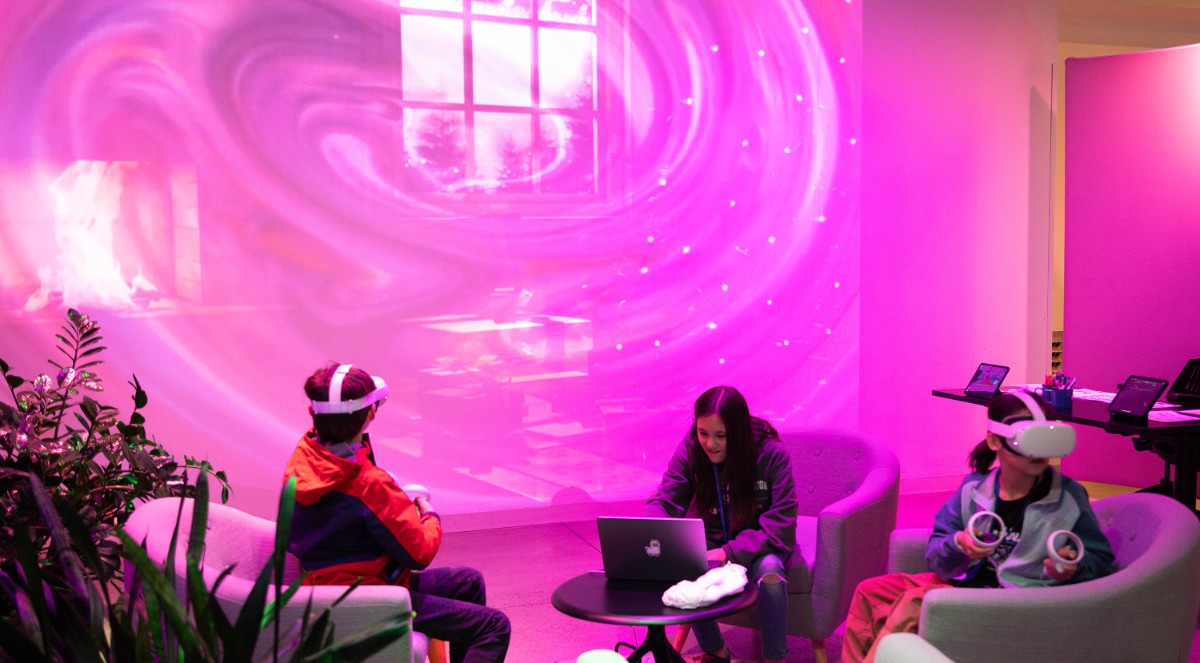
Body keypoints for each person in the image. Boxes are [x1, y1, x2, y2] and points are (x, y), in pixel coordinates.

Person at [841, 390, 1116, 663]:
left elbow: (1102, 560)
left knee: (918, 602)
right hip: (968, 585)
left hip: (1020, 600)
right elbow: (938, 556)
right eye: (1028, 438)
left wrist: (1074, 567)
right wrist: (959, 544)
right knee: (870, 592)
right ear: (995, 441)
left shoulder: (1067, 496)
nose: (1039, 451)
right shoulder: (974, 489)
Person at [283, 362, 510, 662]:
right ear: (370, 413)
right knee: (494, 627)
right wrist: (429, 514)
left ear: (314, 414)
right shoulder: (367, 484)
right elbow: (419, 554)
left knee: (468, 582)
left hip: (328, 585)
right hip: (372, 599)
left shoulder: (306, 457)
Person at [645, 386, 798, 663]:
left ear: (737, 433)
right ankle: (716, 653)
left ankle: (776, 658)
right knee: (687, 567)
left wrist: (730, 551)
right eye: (703, 433)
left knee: (772, 578)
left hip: (760, 542)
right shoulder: (692, 447)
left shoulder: (772, 453)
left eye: (720, 436)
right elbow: (667, 499)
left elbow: (782, 521)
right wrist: (650, 530)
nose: (709, 444)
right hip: (712, 538)